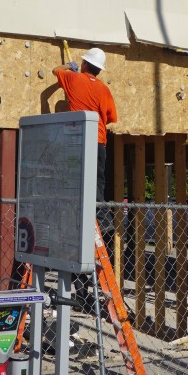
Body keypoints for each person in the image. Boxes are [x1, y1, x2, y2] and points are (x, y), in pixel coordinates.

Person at [52, 47, 118, 235]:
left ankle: (72, 217)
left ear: (84, 64)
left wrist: (68, 67)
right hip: (98, 141)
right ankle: (104, 220)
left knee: (74, 179)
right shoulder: (104, 89)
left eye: (81, 62)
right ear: (98, 70)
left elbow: (55, 70)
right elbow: (111, 117)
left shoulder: (73, 79)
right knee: (98, 182)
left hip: (78, 140)